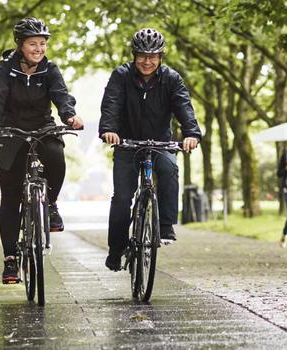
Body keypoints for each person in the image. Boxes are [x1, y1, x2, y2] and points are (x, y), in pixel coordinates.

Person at [0, 17, 84, 284]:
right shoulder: (5, 69)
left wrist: (70, 116)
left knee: (56, 155)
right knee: (10, 196)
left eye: (42, 44)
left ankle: (50, 204)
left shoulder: (50, 70)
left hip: (41, 127)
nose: (38, 49)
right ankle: (10, 260)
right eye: (32, 44)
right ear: (20, 45)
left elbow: (61, 95)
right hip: (11, 130)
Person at [98, 28, 202, 272]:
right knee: (122, 198)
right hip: (127, 143)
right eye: (143, 56)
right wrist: (109, 130)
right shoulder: (121, 76)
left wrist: (191, 134)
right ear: (134, 55)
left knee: (169, 169)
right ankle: (116, 249)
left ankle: (165, 225)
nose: (147, 61)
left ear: (161, 57)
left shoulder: (171, 79)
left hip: (160, 142)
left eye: (153, 56)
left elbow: (184, 107)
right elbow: (111, 104)